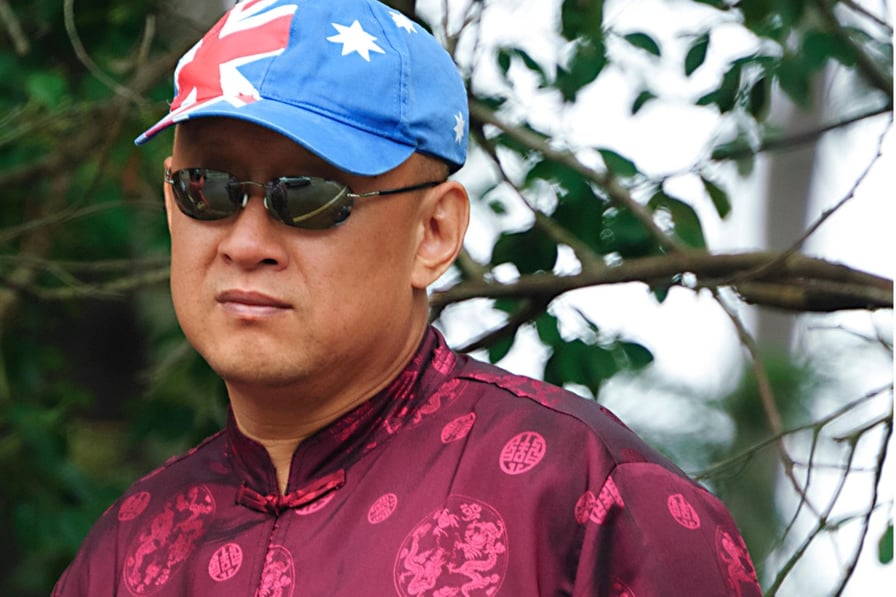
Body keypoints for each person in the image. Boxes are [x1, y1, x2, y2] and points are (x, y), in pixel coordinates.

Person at [53, 1, 763, 595]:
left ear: (433, 230)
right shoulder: (128, 549)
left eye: (306, 195)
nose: (245, 242)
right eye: (209, 188)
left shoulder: (588, 502)